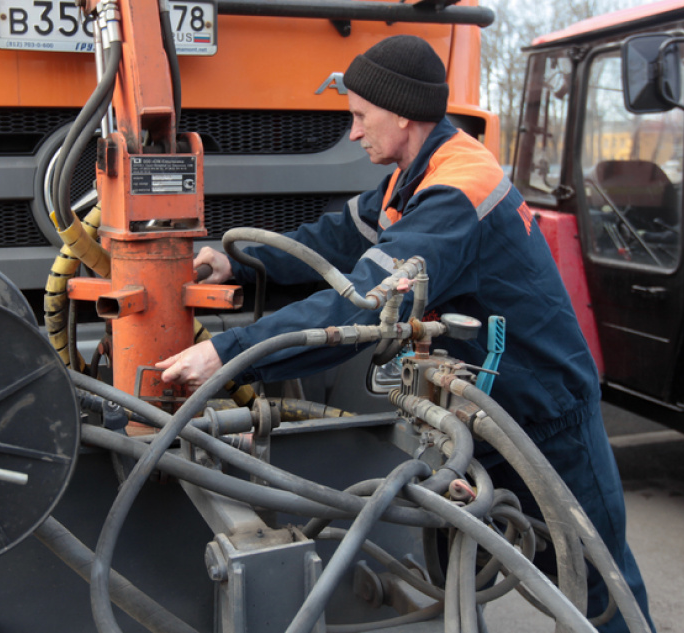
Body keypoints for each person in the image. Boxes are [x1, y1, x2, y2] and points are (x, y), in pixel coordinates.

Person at [156, 35, 655, 633]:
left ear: (401, 114)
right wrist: (238, 263)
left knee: (595, 596)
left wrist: (228, 353)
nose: (353, 133)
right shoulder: (415, 176)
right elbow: (337, 238)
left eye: (360, 116)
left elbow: (366, 305)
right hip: (478, 416)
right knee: (454, 581)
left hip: (544, 422)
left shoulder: (455, 194)